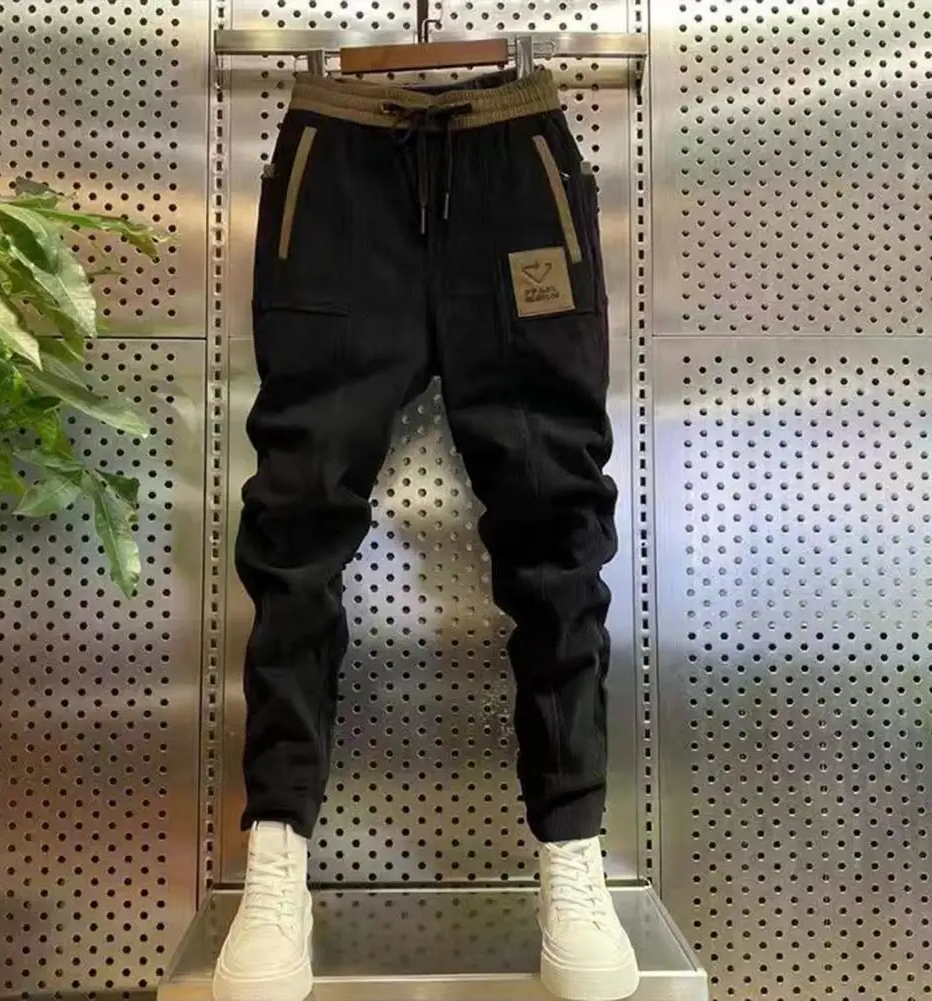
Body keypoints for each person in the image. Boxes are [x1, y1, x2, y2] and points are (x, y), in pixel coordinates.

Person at [213, 66, 639, 1001]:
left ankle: (571, 851)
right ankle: (277, 854)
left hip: (516, 176)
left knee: (557, 522)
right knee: (295, 522)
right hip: (336, 179)